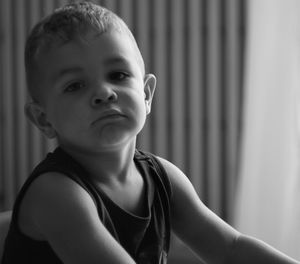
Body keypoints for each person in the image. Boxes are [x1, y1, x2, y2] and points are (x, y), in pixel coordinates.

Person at [1, 1, 299, 264]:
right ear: (43, 119)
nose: (104, 93)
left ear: (146, 95)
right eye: (74, 85)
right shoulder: (56, 194)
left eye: (118, 75)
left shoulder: (163, 178)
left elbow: (230, 249)